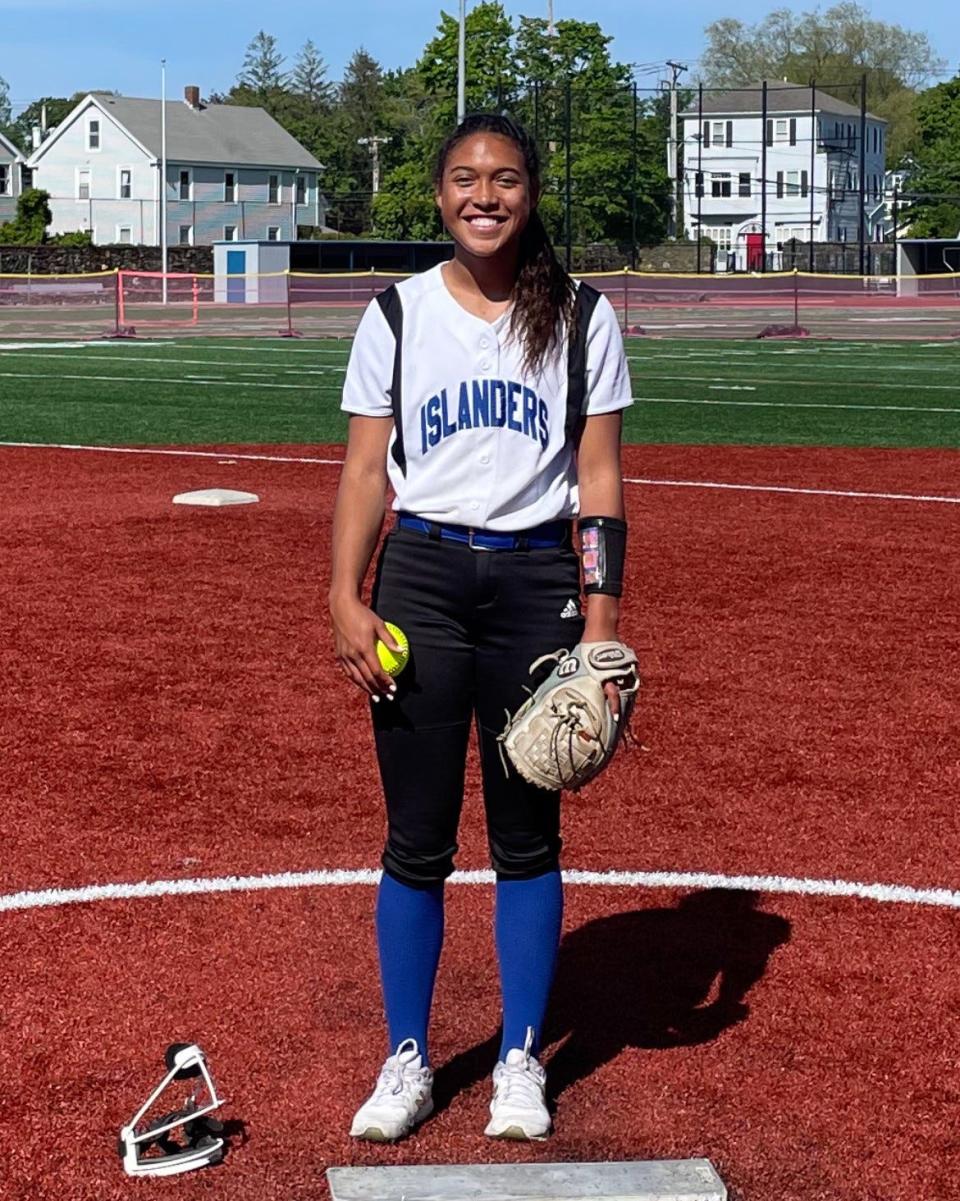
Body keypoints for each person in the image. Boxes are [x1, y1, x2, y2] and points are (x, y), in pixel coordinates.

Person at [329, 112, 632, 1143]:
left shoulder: (585, 316)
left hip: (535, 582)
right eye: (465, 178)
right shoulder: (398, 314)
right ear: (438, 191)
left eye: (505, 178)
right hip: (419, 579)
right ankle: (406, 1055)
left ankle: (517, 1058)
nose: (485, 196)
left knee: (526, 836)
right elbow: (368, 469)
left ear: (533, 192)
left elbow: (599, 480)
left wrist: (600, 627)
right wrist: (344, 593)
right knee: (415, 839)